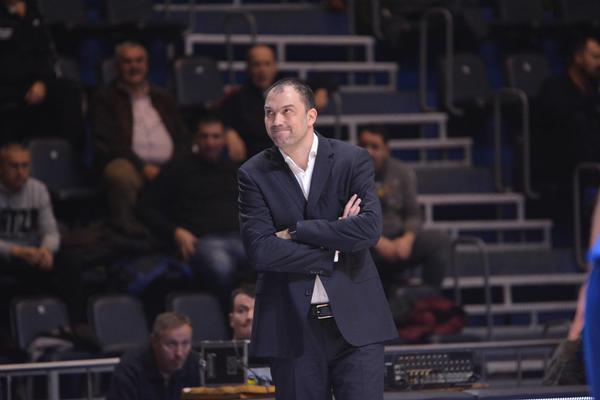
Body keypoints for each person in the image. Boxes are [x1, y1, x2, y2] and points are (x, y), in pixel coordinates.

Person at [238, 78, 397, 399]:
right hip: (292, 326)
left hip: (358, 320)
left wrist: (297, 232)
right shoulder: (252, 173)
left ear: (311, 115)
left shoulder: (351, 159)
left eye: (287, 111)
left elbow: (368, 230)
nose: (276, 120)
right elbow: (261, 251)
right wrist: (334, 249)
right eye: (269, 113)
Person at [137, 113, 247, 304]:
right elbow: (145, 208)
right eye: (204, 136)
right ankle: (231, 317)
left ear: (224, 139)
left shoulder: (233, 170)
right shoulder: (178, 168)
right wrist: (175, 231)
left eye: (215, 137)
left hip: (239, 237)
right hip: (203, 240)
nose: (210, 142)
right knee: (221, 266)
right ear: (196, 139)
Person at [90, 41, 189, 235]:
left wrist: (174, 165)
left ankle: (186, 231)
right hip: (130, 165)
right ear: (117, 66)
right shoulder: (104, 98)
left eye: (139, 61)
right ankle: (130, 232)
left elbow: (182, 136)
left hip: (168, 166)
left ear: (147, 64)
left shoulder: (163, 97)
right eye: (127, 62)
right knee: (118, 173)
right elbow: (108, 143)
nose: (134, 66)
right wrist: (142, 167)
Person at [358, 126, 451, 291]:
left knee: (439, 240)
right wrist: (378, 242)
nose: (369, 152)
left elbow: (414, 214)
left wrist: (407, 240)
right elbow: (349, 219)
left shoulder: (402, 172)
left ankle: (427, 296)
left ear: (386, 150)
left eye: (375, 147)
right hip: (366, 246)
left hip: (399, 242)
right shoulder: (348, 174)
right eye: (364, 145)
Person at [533, 34, 600, 241]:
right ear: (578, 57)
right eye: (595, 57)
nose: (599, 63)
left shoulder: (594, 92)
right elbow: (556, 131)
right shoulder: (554, 88)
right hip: (562, 165)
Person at [0, 0, 85, 150]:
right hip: (8, 85)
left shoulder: (34, 11)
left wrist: (42, 82)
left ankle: (72, 154)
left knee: (69, 91)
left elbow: (46, 53)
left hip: (37, 82)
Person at [107, 312, 201, 400]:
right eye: (171, 344)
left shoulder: (195, 365)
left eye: (185, 343)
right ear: (154, 341)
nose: (179, 353)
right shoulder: (130, 369)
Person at [218, 44, 278, 161]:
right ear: (248, 68)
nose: (262, 70)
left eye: (267, 64)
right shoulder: (235, 98)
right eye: (257, 64)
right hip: (250, 162)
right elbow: (215, 120)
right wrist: (227, 132)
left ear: (275, 67)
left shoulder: (289, 95)